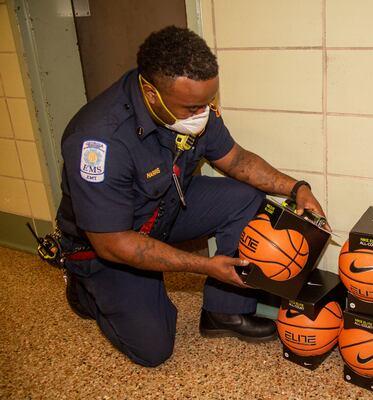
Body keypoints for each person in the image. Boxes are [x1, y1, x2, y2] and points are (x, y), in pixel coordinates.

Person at [55, 25, 327, 367]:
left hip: (164, 208)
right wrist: (205, 266)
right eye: (192, 107)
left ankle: (224, 312)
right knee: (153, 350)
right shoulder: (99, 139)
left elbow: (238, 161)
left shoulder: (193, 109)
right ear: (151, 93)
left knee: (243, 197)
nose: (203, 114)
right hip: (111, 242)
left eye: (208, 102)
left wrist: (297, 188)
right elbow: (114, 244)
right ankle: (86, 289)